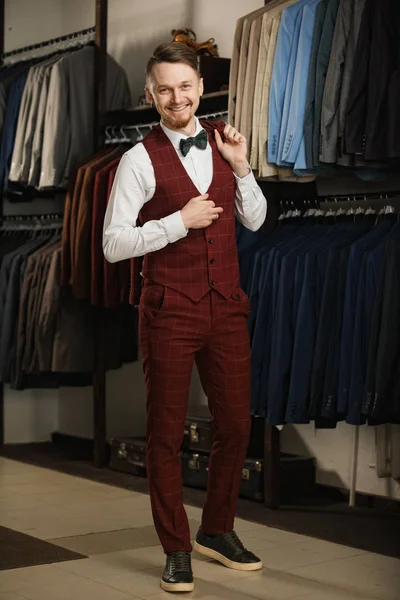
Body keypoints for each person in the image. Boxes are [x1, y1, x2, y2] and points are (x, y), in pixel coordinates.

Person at [103, 42, 267, 593]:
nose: (177, 97)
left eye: (185, 86)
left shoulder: (225, 144)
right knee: (166, 436)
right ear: (150, 95)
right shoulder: (136, 159)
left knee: (237, 426)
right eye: (165, 89)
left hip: (226, 308)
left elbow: (256, 221)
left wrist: (243, 169)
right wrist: (178, 221)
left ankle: (217, 531)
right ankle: (175, 547)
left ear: (200, 88)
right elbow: (112, 245)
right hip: (169, 310)